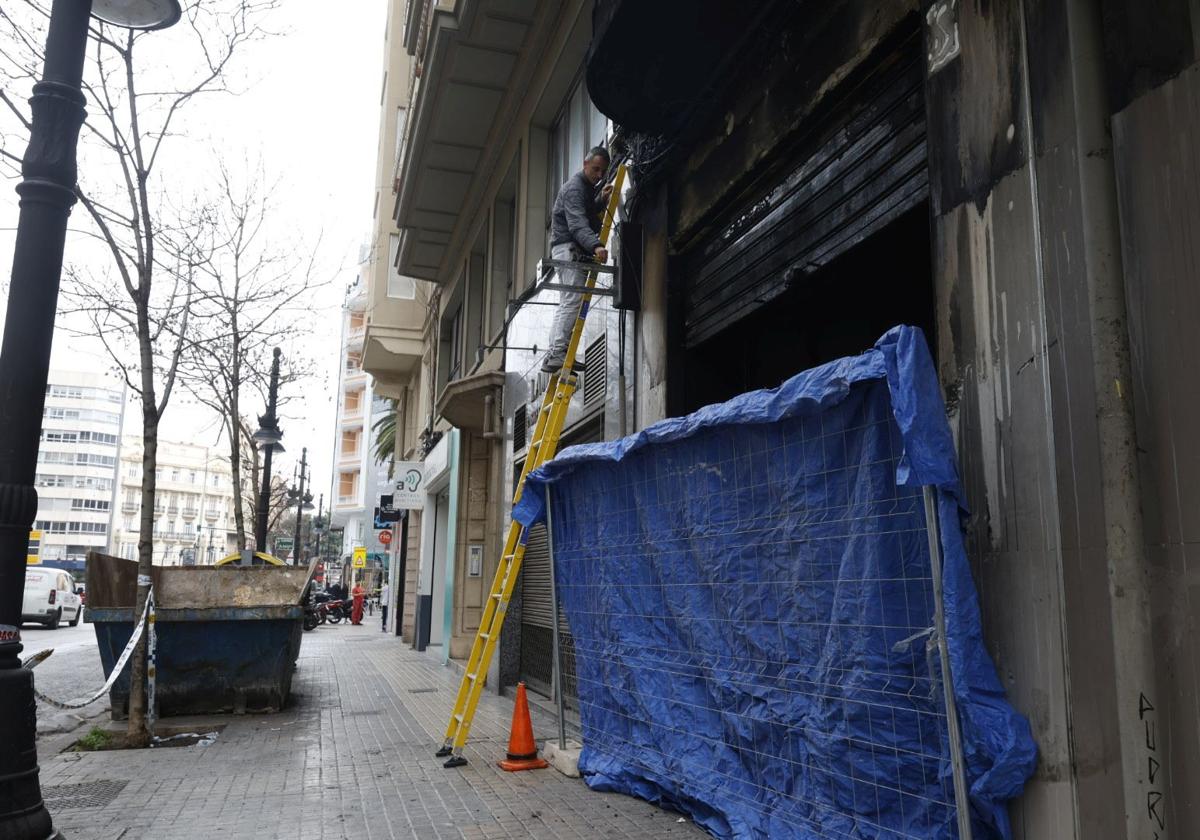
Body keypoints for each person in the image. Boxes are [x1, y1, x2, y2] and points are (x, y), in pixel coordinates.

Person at [543, 146, 614, 372]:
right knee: (572, 301)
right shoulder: (575, 189)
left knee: (568, 302)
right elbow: (576, 224)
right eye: (596, 169)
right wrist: (596, 245)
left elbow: (586, 212)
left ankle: (555, 354)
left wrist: (601, 201)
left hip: (567, 249)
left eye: (603, 171)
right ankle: (557, 352)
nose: (599, 176)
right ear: (585, 164)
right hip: (569, 249)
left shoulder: (584, 188)